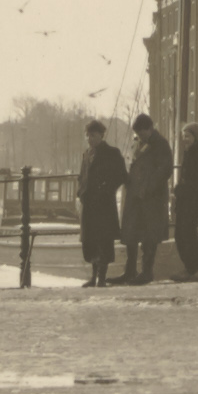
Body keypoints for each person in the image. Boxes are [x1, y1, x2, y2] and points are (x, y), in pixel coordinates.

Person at [119, 114, 172, 286]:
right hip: (135, 194)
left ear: (150, 129)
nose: (140, 137)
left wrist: (148, 187)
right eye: (138, 134)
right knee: (131, 232)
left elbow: (165, 170)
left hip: (152, 197)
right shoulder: (138, 143)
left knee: (149, 234)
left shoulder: (161, 145)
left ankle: (146, 272)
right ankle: (130, 270)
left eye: (142, 133)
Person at [76, 119, 127, 287]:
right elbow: (82, 176)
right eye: (87, 135)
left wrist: (106, 189)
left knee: (103, 240)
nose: (89, 139)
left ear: (101, 135)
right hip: (89, 204)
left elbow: (121, 175)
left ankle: (102, 277)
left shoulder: (112, 153)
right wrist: (81, 192)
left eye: (93, 135)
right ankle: (93, 277)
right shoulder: (86, 154)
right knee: (90, 240)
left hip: (103, 204)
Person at [171, 123, 198, 282]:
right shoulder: (189, 153)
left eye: (187, 136)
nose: (185, 139)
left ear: (196, 137)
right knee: (180, 234)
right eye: (183, 136)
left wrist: (181, 189)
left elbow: (197, 181)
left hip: (194, 200)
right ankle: (190, 267)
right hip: (185, 199)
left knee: (188, 233)